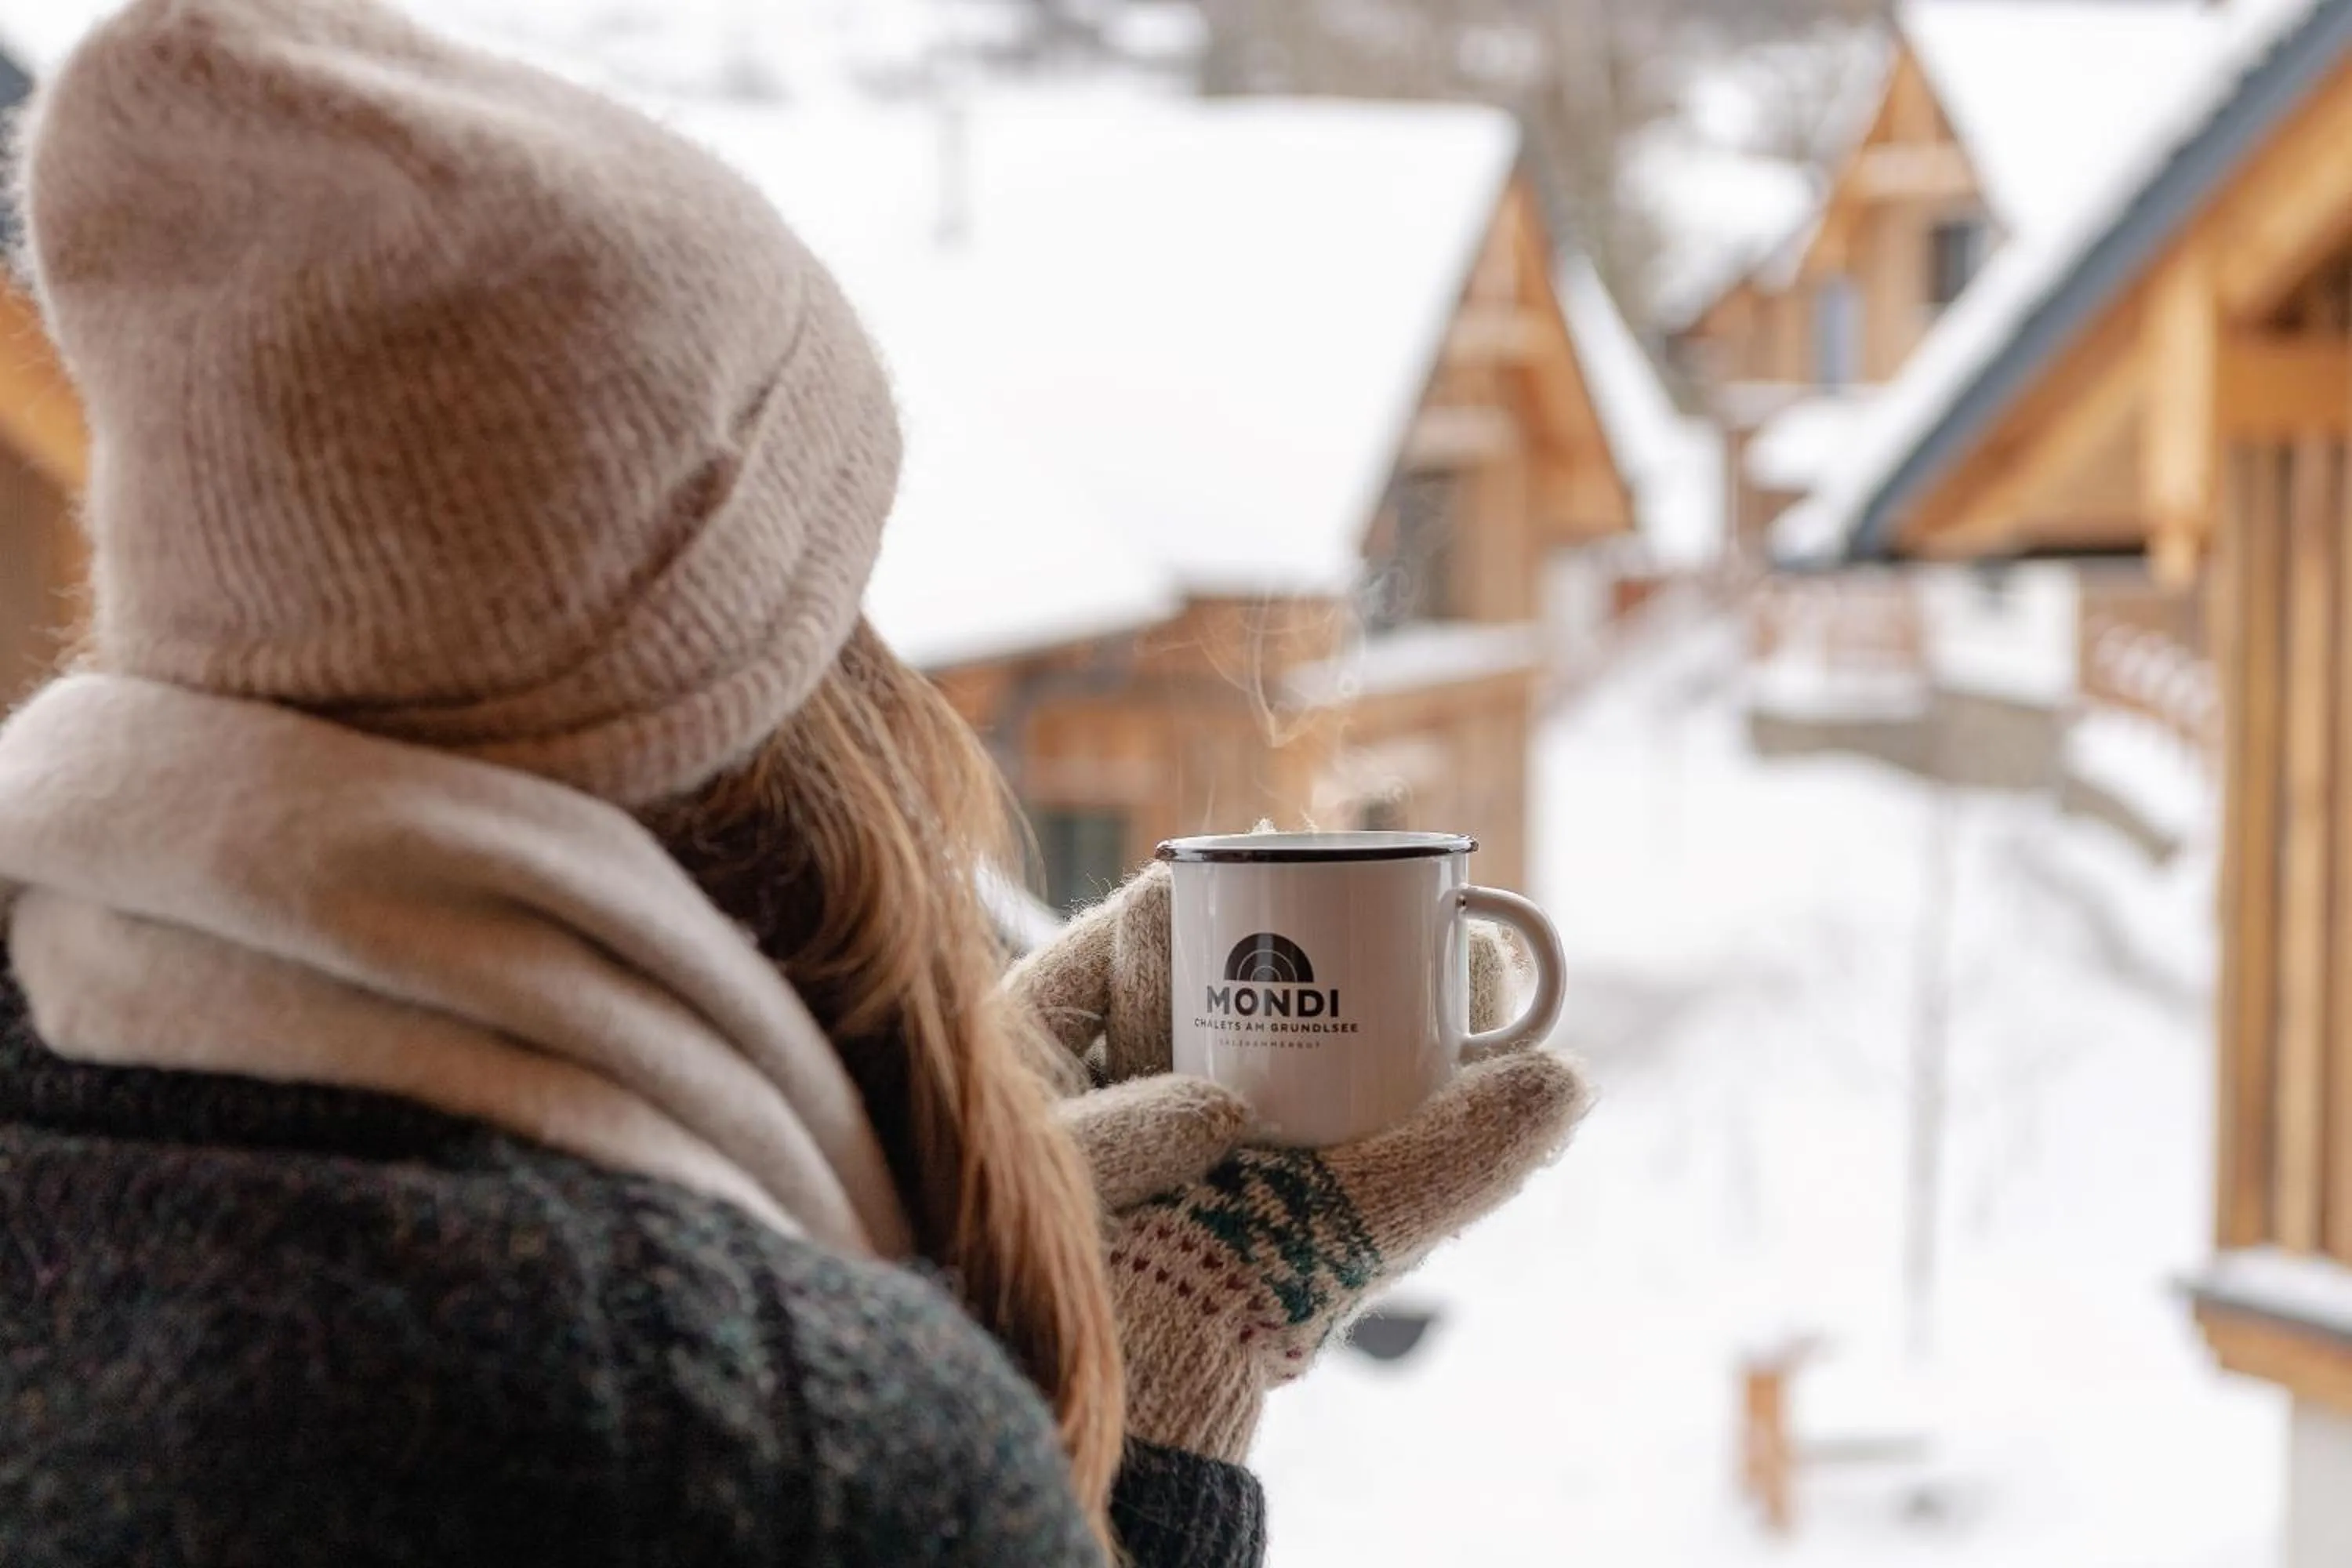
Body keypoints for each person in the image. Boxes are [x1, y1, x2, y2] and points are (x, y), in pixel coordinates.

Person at [0, 2, 1588, 1564]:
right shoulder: (773, 1443)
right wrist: (1132, 1404)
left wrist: (919, 1249)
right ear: (744, 692)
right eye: (846, 594)